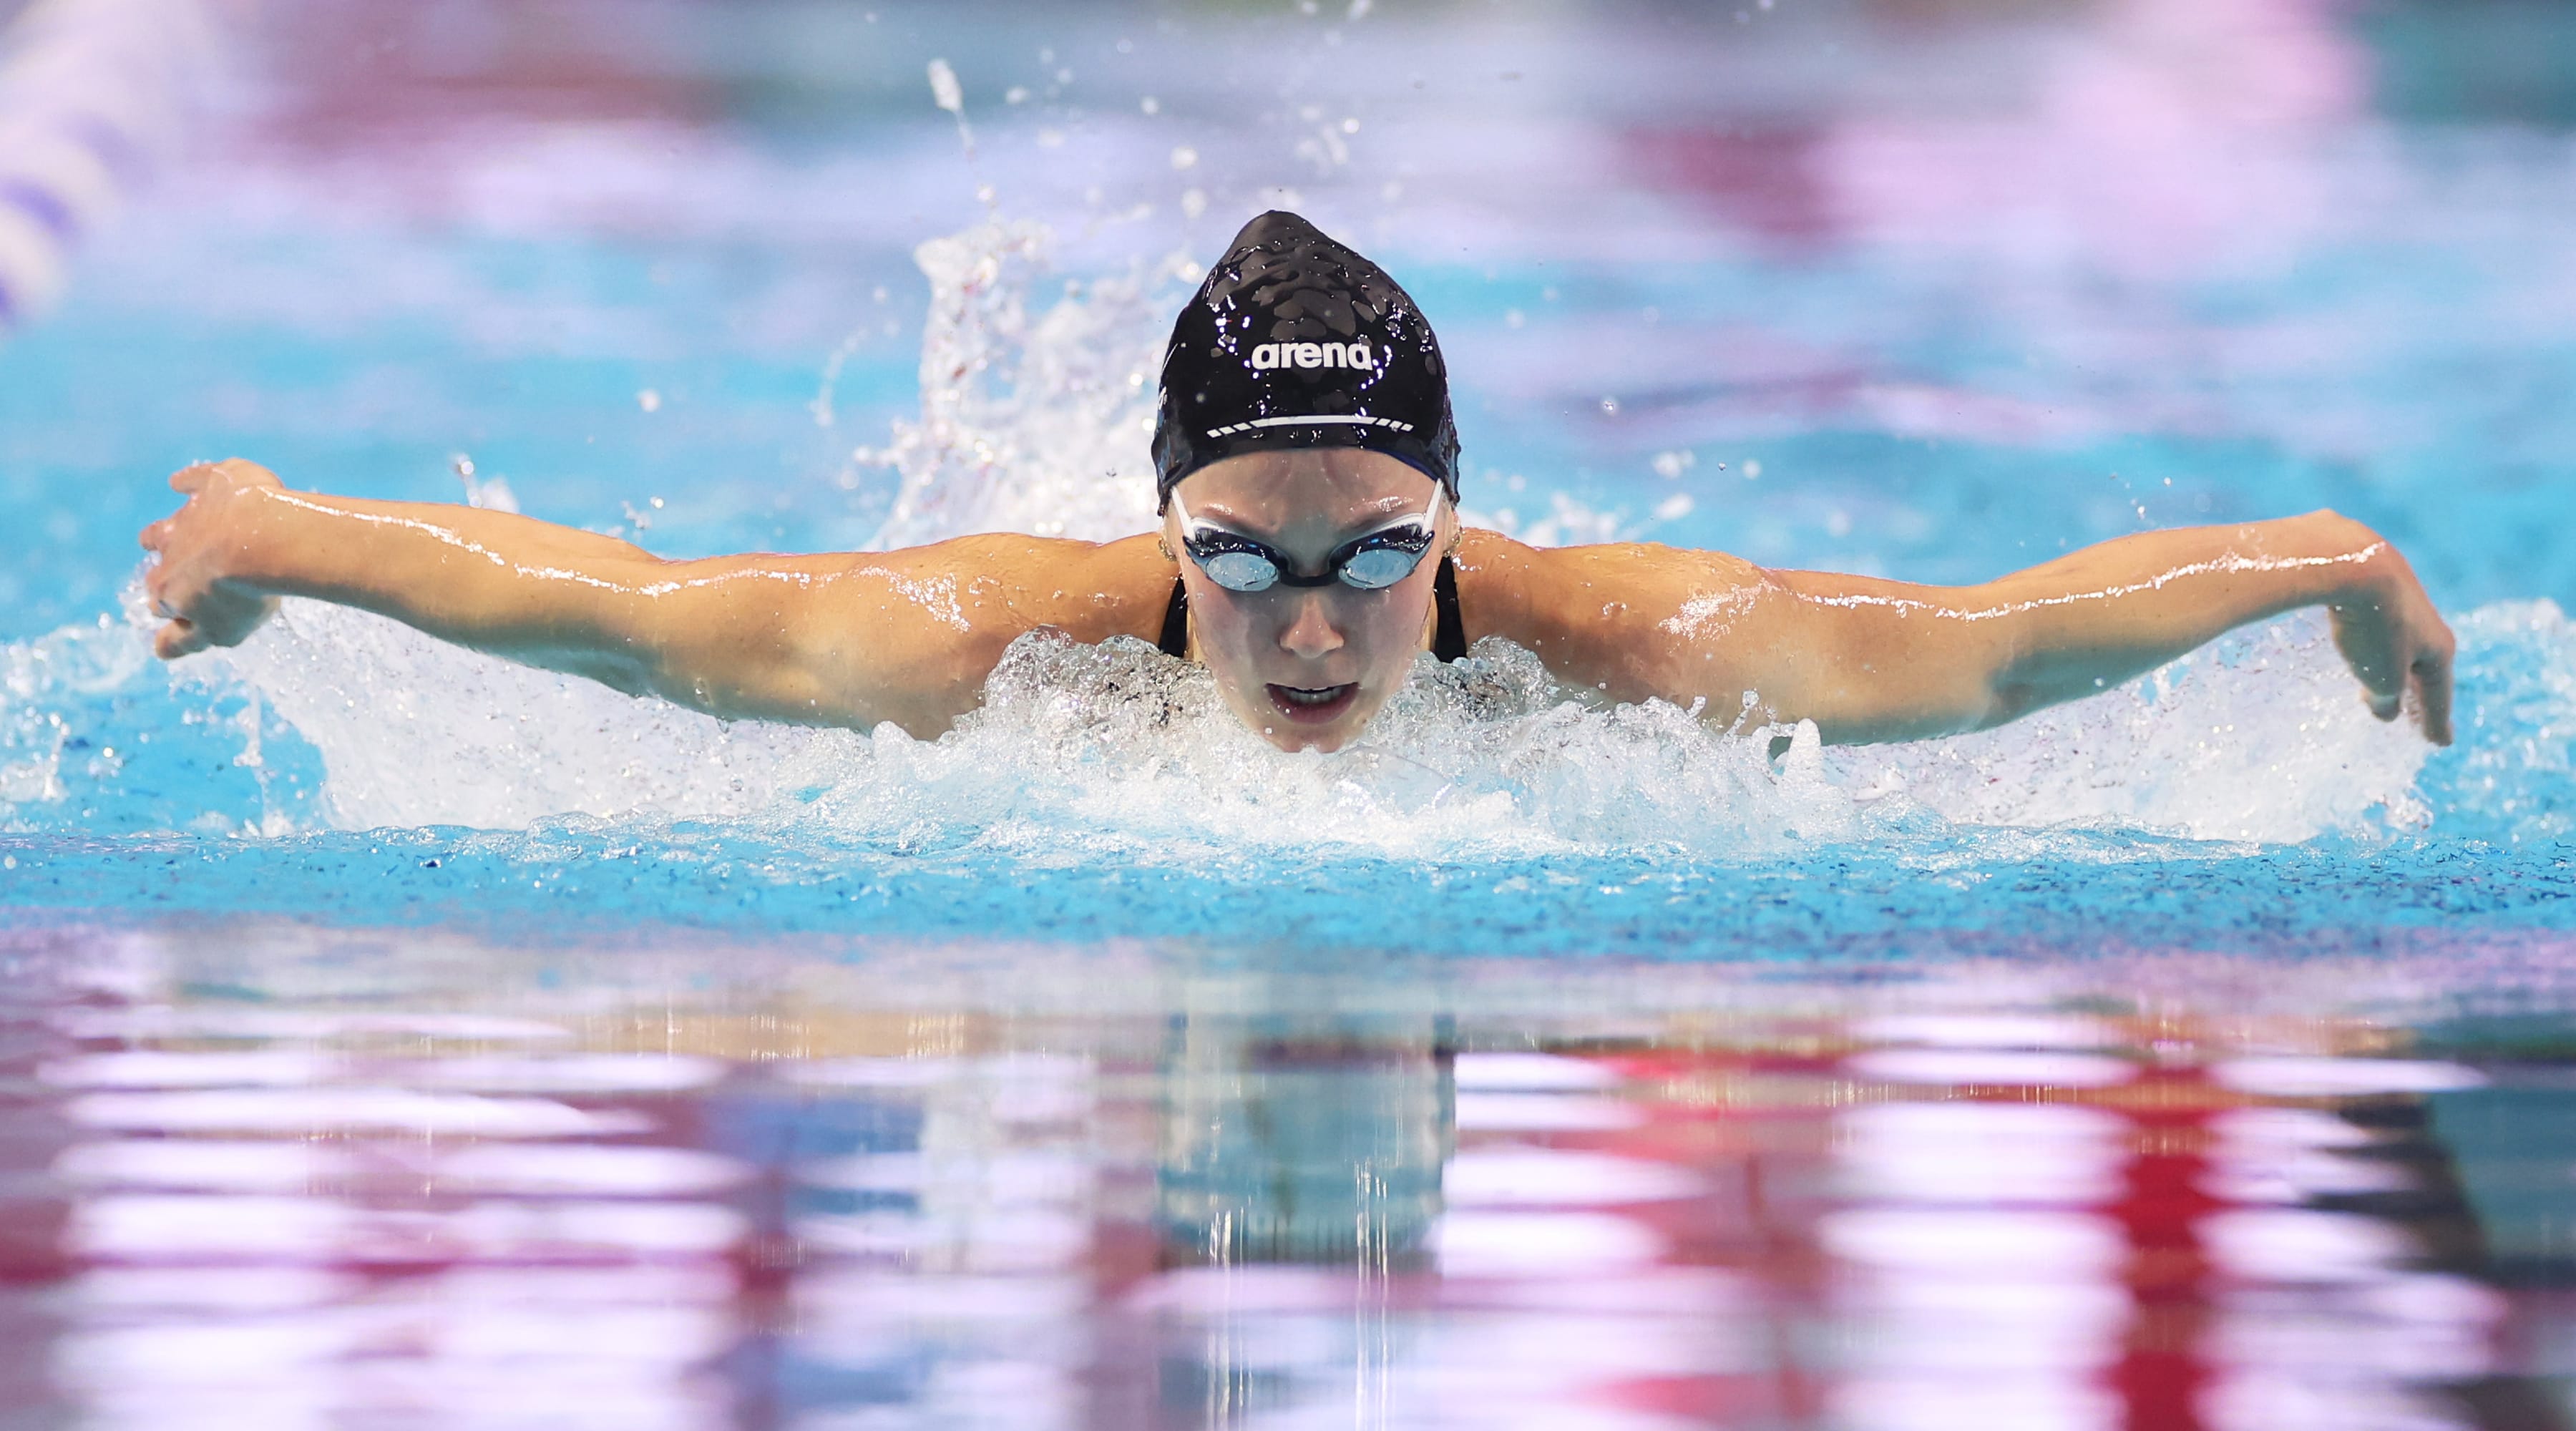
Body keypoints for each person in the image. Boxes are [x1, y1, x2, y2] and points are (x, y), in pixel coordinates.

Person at [139, 211, 2454, 756]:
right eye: (1242, 561)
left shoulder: (1638, 655)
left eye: (1379, 555)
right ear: (1169, 532)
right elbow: (625, 606)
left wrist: (2334, 561)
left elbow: (2005, 641)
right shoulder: (991, 647)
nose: (1320, 628)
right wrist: (276, 537)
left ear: (1458, 520)